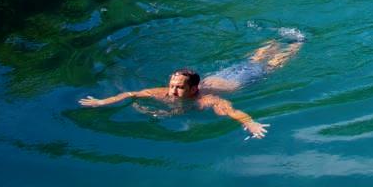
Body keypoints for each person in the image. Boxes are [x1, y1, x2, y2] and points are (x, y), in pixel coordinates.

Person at [78, 35, 304, 139]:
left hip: (242, 80)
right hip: (225, 74)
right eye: (172, 85)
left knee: (270, 65)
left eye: (179, 88)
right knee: (252, 59)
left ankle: (297, 43)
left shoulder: (206, 100)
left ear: (194, 89)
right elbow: (130, 93)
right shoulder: (162, 93)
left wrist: (250, 122)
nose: (172, 91)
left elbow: (231, 111)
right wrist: (102, 101)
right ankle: (276, 39)